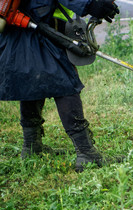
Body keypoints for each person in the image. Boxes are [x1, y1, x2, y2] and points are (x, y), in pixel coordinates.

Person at [0, 0, 119, 172]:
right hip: (36, 31)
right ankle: (86, 153)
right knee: (64, 84)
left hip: (19, 30)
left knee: (32, 81)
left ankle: (32, 145)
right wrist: (90, 4)